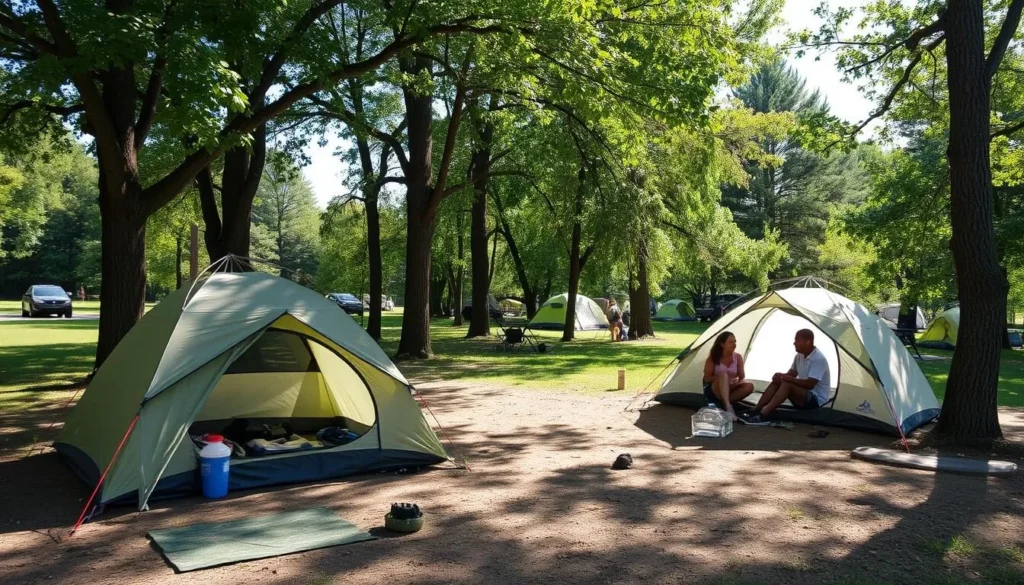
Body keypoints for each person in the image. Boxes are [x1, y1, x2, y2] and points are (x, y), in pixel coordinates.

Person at [743, 329, 830, 425]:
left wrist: (788, 379)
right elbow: (792, 373)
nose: (794, 343)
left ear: (808, 342)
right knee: (779, 381)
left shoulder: (818, 359)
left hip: (816, 401)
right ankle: (756, 409)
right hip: (803, 397)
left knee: (787, 384)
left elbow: (810, 385)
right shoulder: (799, 356)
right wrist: (780, 375)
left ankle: (763, 414)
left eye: (797, 340)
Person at [702, 331, 754, 420]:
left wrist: (736, 378)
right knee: (723, 375)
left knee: (749, 386)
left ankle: (723, 404)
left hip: (730, 387)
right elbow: (707, 378)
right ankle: (728, 407)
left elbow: (741, 376)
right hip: (714, 388)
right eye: (730, 342)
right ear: (722, 344)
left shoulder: (737, 357)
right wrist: (723, 379)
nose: (734, 345)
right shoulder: (713, 358)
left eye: (735, 342)